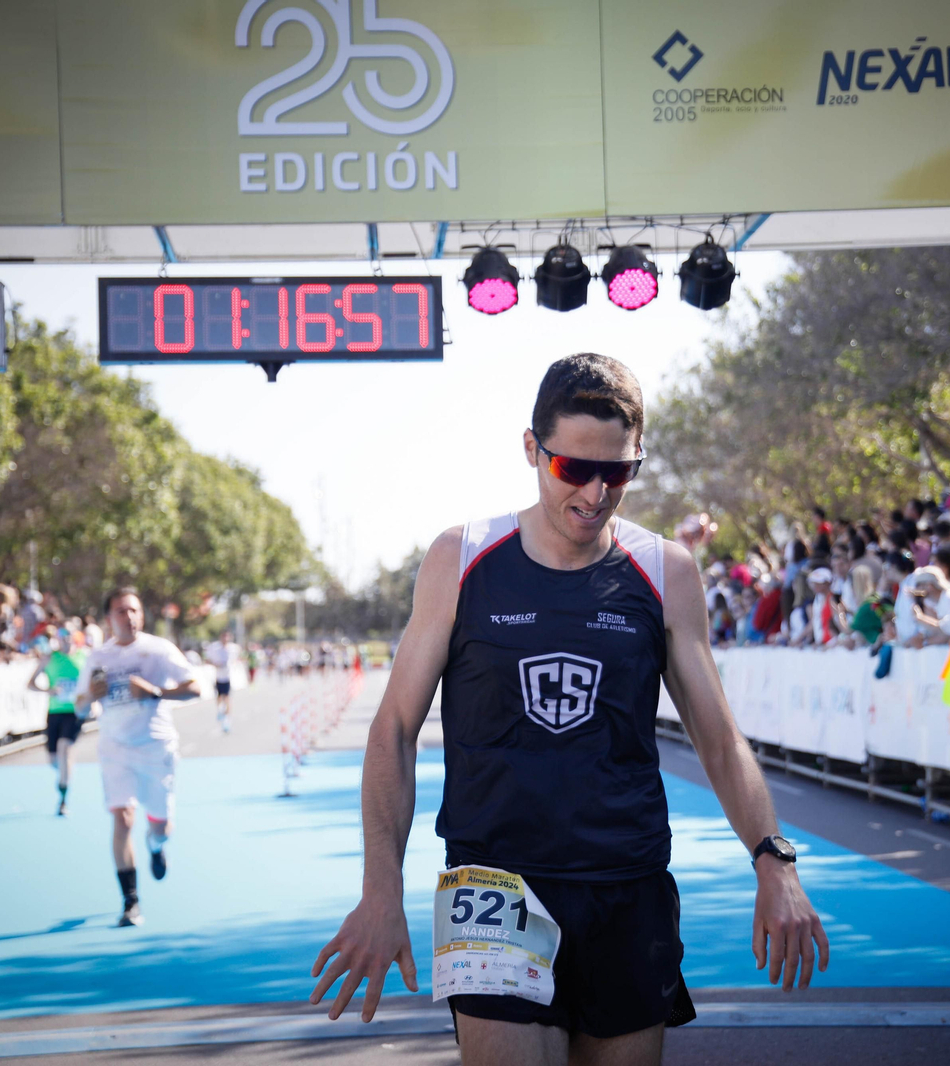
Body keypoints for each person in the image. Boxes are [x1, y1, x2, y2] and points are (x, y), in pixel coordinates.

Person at [309, 354, 827, 1066]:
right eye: (571, 470)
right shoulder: (460, 558)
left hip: (627, 887)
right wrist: (379, 890)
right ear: (532, 449)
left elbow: (719, 738)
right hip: (493, 885)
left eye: (617, 473)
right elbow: (394, 730)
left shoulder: (665, 569)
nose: (593, 492)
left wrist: (776, 862)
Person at [76, 587, 200, 928]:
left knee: (159, 825)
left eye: (133, 610)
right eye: (120, 611)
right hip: (115, 749)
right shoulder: (98, 657)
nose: (128, 617)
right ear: (108, 618)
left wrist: (156, 692)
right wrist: (90, 695)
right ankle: (130, 901)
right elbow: (78, 705)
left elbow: (195, 687)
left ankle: (156, 846)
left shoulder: (158, 650)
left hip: (155, 747)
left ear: (141, 616)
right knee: (123, 819)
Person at [33, 640, 88, 816]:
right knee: (54, 760)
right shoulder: (50, 658)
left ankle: (63, 799)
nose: (66, 640)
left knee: (64, 748)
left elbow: (94, 681)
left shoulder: (84, 657)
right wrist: (48, 690)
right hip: (55, 711)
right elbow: (30, 683)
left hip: (75, 713)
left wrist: (90, 700)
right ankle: (66, 770)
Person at [205, 634, 243, 734]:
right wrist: (215, 664)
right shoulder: (215, 648)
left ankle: (227, 719)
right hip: (218, 677)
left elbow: (239, 656)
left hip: (227, 677)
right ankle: (220, 711)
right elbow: (207, 660)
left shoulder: (233, 648)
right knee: (219, 697)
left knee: (227, 698)